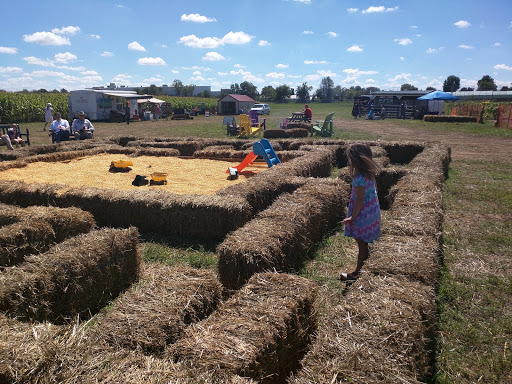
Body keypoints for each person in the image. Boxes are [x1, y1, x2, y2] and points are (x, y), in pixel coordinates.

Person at [340, 143, 381, 282]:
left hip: (362, 214)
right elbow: (374, 191)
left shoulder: (358, 178)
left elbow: (360, 198)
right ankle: (365, 265)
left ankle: (357, 273)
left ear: (354, 160)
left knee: (361, 243)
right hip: (371, 212)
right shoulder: (369, 174)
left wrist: (353, 216)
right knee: (364, 242)